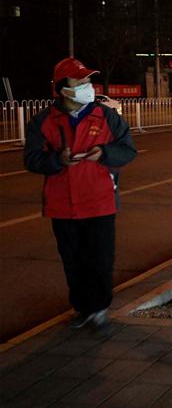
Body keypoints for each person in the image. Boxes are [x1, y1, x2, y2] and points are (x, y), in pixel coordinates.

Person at [24, 57, 137, 330]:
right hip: (62, 205)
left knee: (100, 259)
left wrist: (104, 153)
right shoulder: (43, 122)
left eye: (88, 80)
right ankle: (83, 308)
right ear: (64, 89)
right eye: (81, 81)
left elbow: (128, 150)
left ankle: (99, 308)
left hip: (100, 202)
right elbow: (32, 159)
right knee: (73, 261)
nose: (88, 85)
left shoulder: (106, 116)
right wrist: (57, 160)